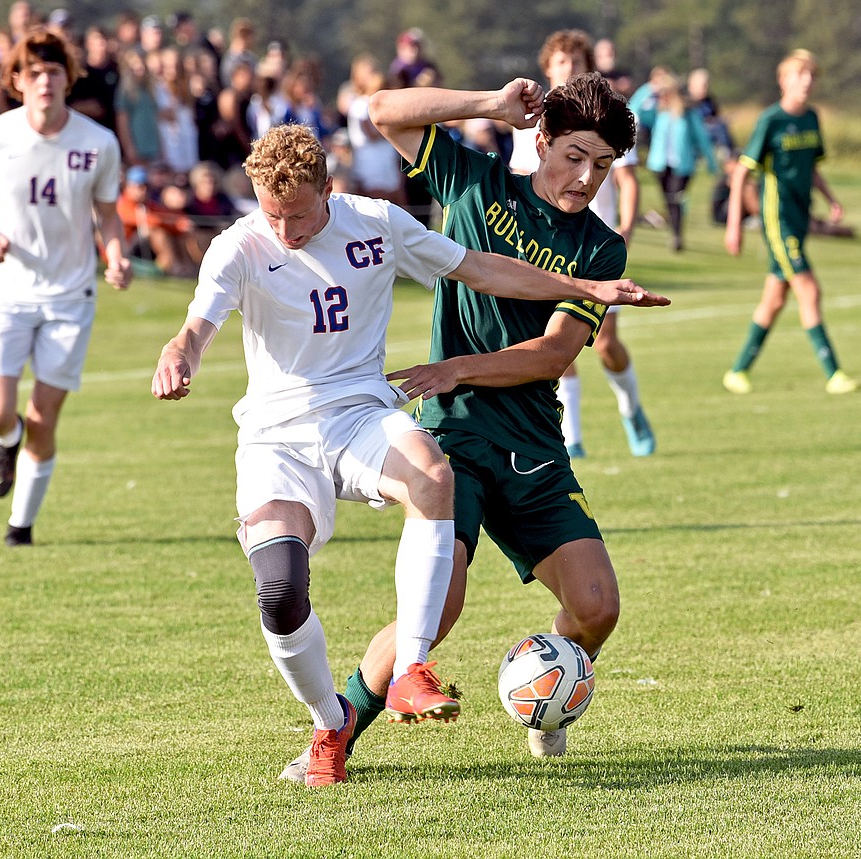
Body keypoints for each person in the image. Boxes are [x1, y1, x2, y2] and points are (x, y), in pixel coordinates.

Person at [151, 123, 665, 788]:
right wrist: (178, 353)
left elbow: (477, 267)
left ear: (329, 191)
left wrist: (589, 288)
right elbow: (197, 326)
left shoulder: (376, 223)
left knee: (430, 470)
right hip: (276, 438)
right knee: (279, 591)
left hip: (359, 415)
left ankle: (411, 669)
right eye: (273, 215)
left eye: (301, 215)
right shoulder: (238, 247)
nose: (286, 231)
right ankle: (327, 719)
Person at [278, 70, 657, 784]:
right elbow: (382, 107)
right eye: (574, 155)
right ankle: (334, 737)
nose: (585, 178)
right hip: (454, 432)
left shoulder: (602, 248)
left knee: (596, 608)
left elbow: (553, 352)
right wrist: (488, 106)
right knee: (439, 601)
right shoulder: (475, 182)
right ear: (540, 138)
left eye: (602, 166)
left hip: (534, 442)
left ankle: (547, 687)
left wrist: (460, 366)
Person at [0, 27, 131, 548]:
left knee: (44, 417)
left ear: (68, 78)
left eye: (53, 71)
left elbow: (107, 214)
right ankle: (6, 442)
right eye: (33, 72)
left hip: (70, 296)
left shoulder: (97, 142)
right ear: (17, 80)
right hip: (9, 293)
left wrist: (117, 254)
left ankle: (21, 526)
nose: (43, 81)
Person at [509, 30, 655, 459]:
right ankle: (572, 437)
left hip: (594, 250)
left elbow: (627, 180)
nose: (567, 69)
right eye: (559, 63)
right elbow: (521, 190)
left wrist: (626, 225)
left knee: (606, 342)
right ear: (547, 69)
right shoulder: (531, 125)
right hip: (548, 251)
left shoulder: (610, 117)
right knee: (560, 343)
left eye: (575, 62)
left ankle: (631, 408)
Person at [722, 49, 858, 396]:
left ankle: (737, 372)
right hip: (778, 221)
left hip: (799, 220)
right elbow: (741, 174)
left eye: (811, 75)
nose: (807, 81)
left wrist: (831, 199)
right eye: (800, 75)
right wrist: (734, 224)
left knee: (775, 299)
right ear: (783, 81)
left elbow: (812, 167)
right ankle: (834, 373)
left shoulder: (812, 118)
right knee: (810, 290)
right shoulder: (771, 120)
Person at [641, 70, 719, 252]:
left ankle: (676, 236)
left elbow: (702, 138)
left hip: (682, 165)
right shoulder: (657, 110)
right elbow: (634, 109)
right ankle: (674, 232)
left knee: (676, 198)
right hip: (660, 164)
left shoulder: (687, 111)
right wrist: (648, 89)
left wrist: (712, 163)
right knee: (669, 200)